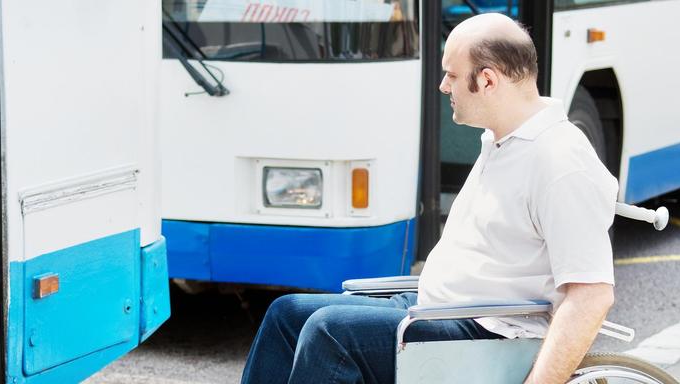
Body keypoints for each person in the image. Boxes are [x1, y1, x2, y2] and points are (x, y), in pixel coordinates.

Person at [241, 13, 619, 384]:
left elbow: (591, 296)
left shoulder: (559, 161)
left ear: (487, 80)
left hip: (486, 330)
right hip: (434, 307)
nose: (443, 86)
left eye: (452, 75)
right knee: (285, 314)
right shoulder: (504, 139)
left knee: (330, 332)